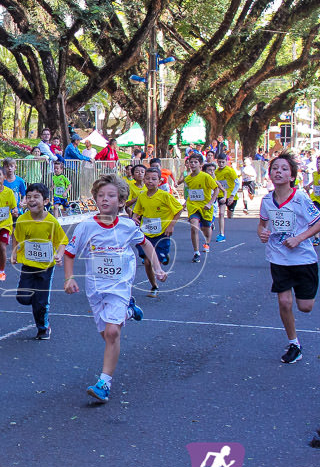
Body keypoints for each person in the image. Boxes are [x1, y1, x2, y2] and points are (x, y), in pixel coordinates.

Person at [62, 174, 166, 403]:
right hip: (96, 289)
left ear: (121, 201)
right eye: (101, 196)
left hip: (120, 286)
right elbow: (69, 254)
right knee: (106, 334)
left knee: (112, 333)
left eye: (111, 196)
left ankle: (104, 384)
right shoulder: (86, 227)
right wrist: (69, 278)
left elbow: (146, 244)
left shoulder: (128, 226)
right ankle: (129, 311)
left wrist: (157, 269)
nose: (105, 199)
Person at [258, 153, 320, 364]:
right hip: (279, 258)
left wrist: (299, 238)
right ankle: (294, 343)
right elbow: (262, 224)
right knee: (285, 302)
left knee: (305, 307)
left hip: (303, 259)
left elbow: (318, 222)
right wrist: (262, 233)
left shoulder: (301, 198)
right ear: (270, 174)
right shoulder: (267, 200)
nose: (279, 172)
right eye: (275, 168)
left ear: (292, 176)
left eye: (284, 169)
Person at [12, 182, 68, 339]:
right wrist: (14, 253)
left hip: (45, 267)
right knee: (23, 298)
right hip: (28, 265)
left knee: (41, 302)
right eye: (28, 197)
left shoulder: (51, 222)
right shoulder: (23, 220)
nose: (31, 200)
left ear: (46, 201)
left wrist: (59, 254)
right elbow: (16, 238)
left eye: (36, 197)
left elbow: (62, 240)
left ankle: (43, 328)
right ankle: (35, 301)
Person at [131, 167, 183, 297]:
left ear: (160, 181)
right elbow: (137, 211)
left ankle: (162, 259)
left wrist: (171, 225)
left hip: (161, 234)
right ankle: (154, 286)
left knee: (153, 261)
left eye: (154, 179)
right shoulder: (142, 196)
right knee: (147, 262)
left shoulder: (165, 196)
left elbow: (178, 209)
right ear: (144, 180)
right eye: (147, 179)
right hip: (145, 233)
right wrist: (134, 218)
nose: (150, 181)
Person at [180, 153, 221, 262]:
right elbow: (191, 193)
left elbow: (216, 189)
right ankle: (196, 252)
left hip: (205, 207)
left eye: (195, 162)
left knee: (206, 230)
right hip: (193, 206)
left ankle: (207, 242)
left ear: (201, 164)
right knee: (194, 226)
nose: (192, 164)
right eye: (191, 162)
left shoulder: (206, 177)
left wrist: (210, 203)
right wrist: (185, 203)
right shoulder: (188, 179)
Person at [214, 153, 239, 241]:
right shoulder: (216, 172)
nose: (221, 164)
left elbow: (237, 183)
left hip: (231, 195)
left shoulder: (230, 171)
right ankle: (221, 234)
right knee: (221, 213)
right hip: (221, 195)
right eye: (219, 162)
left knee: (230, 216)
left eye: (223, 162)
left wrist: (232, 195)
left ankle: (231, 211)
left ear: (226, 162)